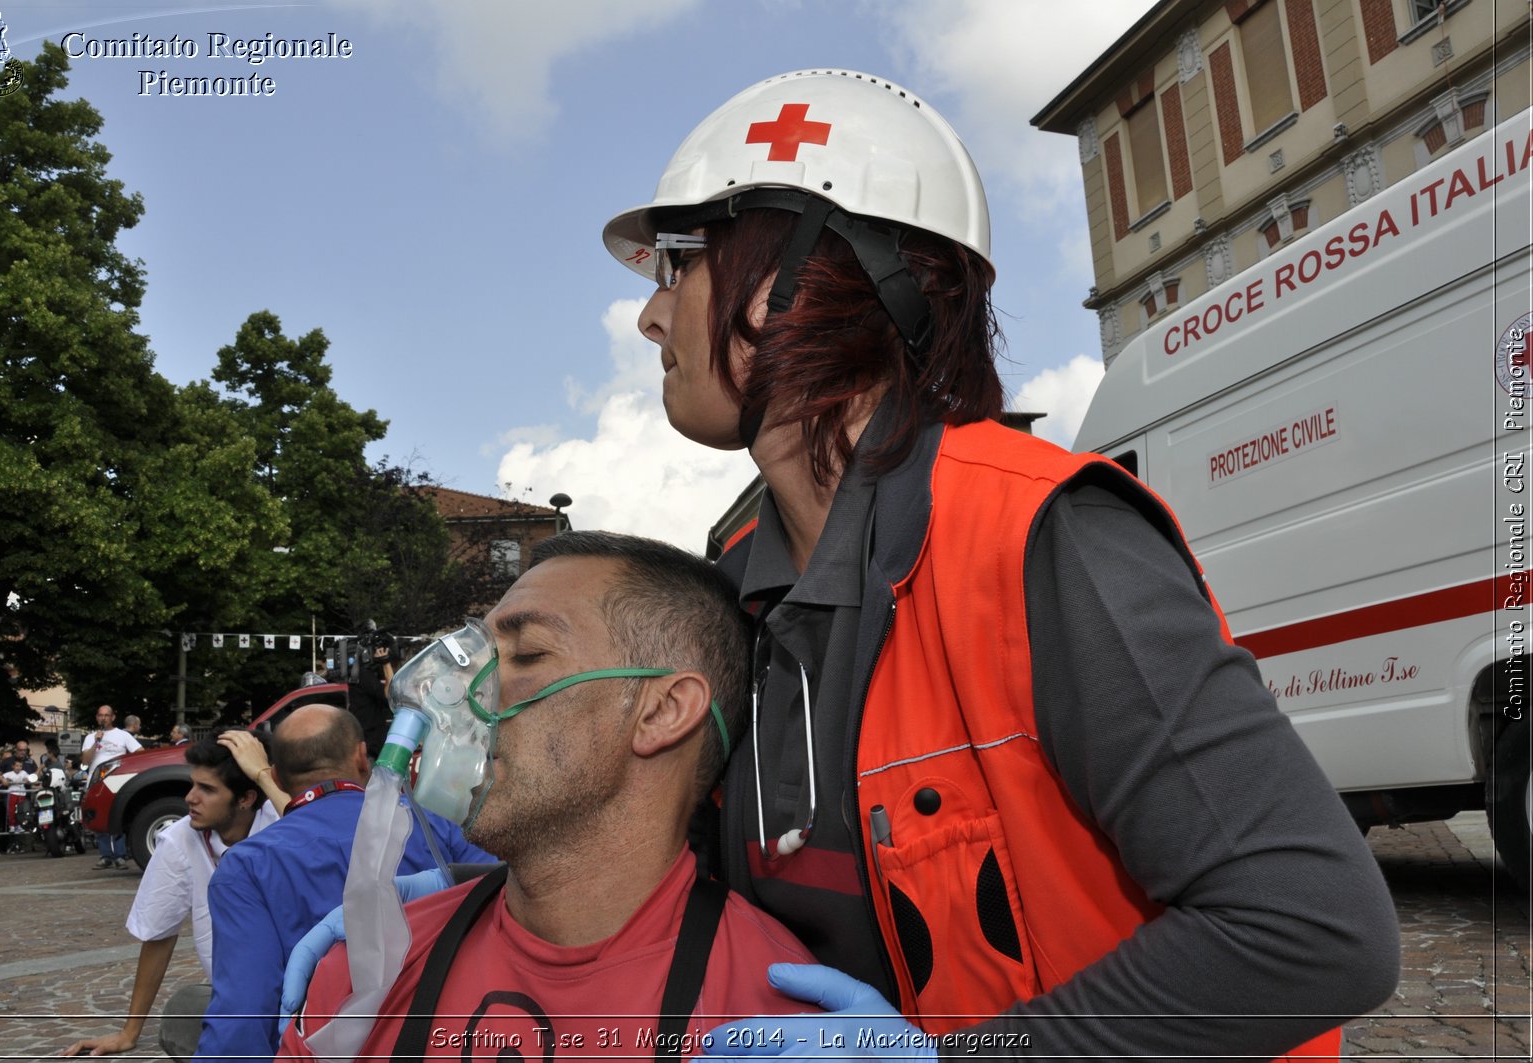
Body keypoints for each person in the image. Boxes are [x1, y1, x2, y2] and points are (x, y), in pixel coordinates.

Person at [597, 69, 1402, 1059]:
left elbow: (1315, 929)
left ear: (786, 283)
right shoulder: (730, 581)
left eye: (678, 265)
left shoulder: (1038, 536)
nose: (650, 315)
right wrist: (475, 907)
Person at [277, 532, 817, 1062]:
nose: (463, 692)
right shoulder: (367, 976)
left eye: (528, 654)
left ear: (662, 711)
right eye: (478, 657)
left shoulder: (779, 1029)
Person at [193, 705, 489, 1063]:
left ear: (276, 777)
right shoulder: (436, 826)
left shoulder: (247, 866)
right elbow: (516, 897)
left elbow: (243, 1018)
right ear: (362, 757)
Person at [61, 731, 285, 1060]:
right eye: (193, 784)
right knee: (184, 1011)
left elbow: (323, 830)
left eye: (207, 789)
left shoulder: (284, 824)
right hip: (239, 1002)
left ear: (247, 798)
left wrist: (264, 774)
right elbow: (159, 934)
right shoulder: (179, 839)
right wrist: (129, 1032)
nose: (191, 798)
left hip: (304, 997)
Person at [81, 705, 143, 869]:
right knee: (99, 817)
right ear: (97, 717)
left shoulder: (123, 735)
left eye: (107, 715)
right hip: (96, 782)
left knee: (117, 816)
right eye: (101, 715)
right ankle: (105, 855)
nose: (104, 718)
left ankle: (120, 855)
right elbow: (85, 760)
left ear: (113, 717)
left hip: (117, 781)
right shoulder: (90, 737)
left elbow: (140, 752)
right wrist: (96, 742)